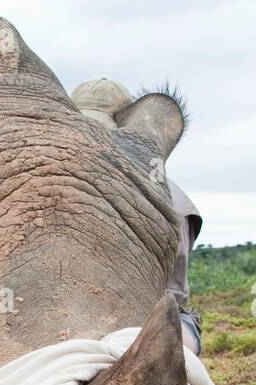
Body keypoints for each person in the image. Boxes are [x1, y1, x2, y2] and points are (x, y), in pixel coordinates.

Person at [71, 77, 205, 355]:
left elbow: (167, 300)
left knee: (174, 347)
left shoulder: (171, 201)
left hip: (148, 320)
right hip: (83, 317)